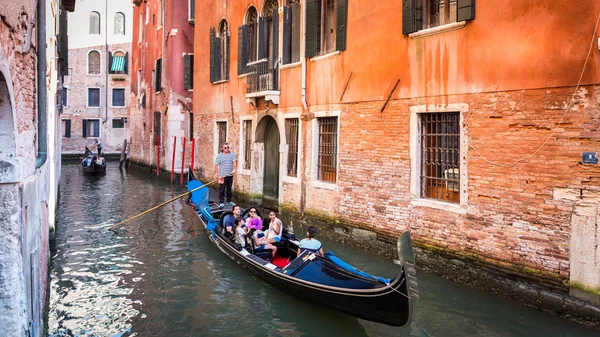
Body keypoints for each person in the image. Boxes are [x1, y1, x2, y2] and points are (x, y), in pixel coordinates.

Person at [214, 142, 237, 208]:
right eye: (225, 147)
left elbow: (234, 162)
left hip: (230, 175)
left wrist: (234, 169)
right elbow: (216, 164)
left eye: (228, 147)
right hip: (222, 176)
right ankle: (221, 201)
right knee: (222, 189)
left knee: (229, 189)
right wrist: (215, 173)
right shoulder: (219, 156)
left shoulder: (232, 154)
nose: (227, 149)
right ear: (222, 148)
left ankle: (229, 200)